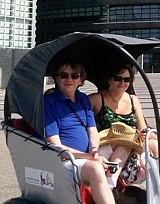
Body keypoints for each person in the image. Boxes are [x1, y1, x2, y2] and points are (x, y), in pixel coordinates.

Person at [88, 63, 160, 204]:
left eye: (126, 80)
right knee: (154, 149)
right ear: (109, 80)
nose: (122, 83)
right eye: (118, 78)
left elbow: (144, 130)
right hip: (111, 152)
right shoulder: (97, 99)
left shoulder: (132, 100)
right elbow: (78, 113)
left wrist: (143, 135)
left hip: (133, 150)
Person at [44, 60, 116, 204]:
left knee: (133, 148)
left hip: (89, 155)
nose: (69, 79)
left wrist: (94, 151)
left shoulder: (82, 98)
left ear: (81, 79)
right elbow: (55, 144)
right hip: (64, 159)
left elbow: (92, 130)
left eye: (74, 76)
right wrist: (90, 157)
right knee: (96, 169)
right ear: (57, 78)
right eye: (64, 75)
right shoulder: (49, 102)